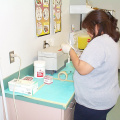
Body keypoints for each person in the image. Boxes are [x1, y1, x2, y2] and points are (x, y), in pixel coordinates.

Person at [61, 9, 120, 120]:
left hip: (93, 104)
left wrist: (70, 50)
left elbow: (81, 69)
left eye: (89, 28)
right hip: (107, 99)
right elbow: (99, 61)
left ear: (97, 26)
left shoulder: (99, 42)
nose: (88, 32)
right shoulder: (111, 40)